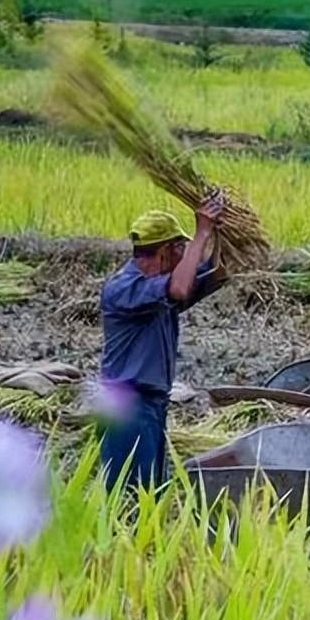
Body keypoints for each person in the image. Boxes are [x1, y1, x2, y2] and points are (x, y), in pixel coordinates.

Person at [99, 195, 227, 491]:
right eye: (181, 248)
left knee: (152, 494)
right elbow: (181, 288)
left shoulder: (161, 293)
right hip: (127, 406)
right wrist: (201, 232)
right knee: (129, 498)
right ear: (164, 252)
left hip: (152, 406)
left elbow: (216, 272)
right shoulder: (124, 288)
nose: (185, 256)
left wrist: (219, 234)